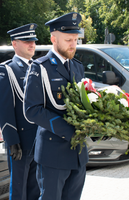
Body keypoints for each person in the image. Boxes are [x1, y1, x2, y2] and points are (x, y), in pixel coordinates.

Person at [23, 12, 89, 200]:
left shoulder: (77, 67)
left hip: (78, 154)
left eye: (75, 39)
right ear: (53, 38)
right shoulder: (40, 67)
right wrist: (69, 131)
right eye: (68, 39)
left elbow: (84, 104)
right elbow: (32, 110)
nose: (73, 44)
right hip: (53, 154)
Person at [0, 24, 40, 200]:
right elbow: (3, 108)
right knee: (19, 190)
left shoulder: (37, 67)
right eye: (26, 41)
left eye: (33, 41)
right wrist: (12, 140)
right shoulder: (7, 70)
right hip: (21, 142)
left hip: (39, 139)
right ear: (14, 44)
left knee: (36, 188)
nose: (31, 45)